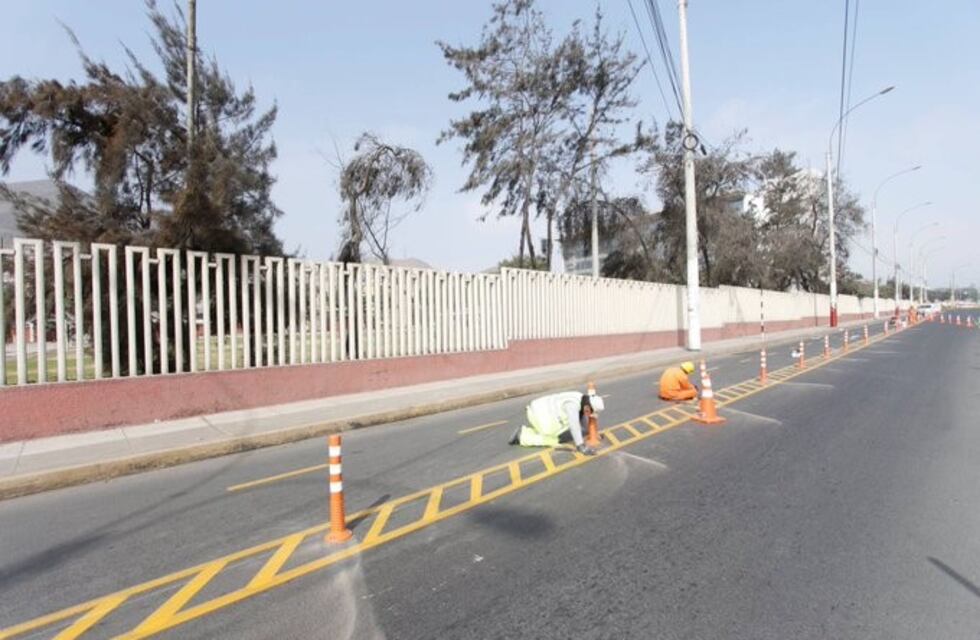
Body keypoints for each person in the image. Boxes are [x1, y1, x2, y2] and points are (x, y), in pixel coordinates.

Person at [508, 388, 604, 455]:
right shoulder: (572, 406)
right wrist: (580, 446)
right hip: (539, 416)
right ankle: (521, 436)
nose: (589, 413)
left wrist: (591, 433)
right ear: (588, 406)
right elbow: (574, 424)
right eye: (590, 411)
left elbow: (581, 417)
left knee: (554, 431)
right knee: (554, 440)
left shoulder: (579, 397)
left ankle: (526, 430)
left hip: (537, 409)